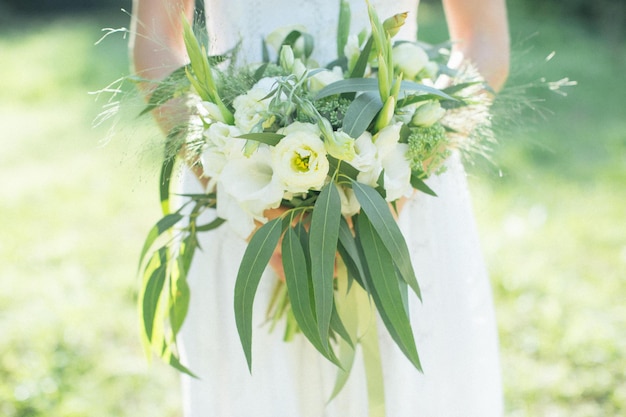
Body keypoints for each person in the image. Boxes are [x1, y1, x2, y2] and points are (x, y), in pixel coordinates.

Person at [130, 0, 510, 416]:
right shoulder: (239, 190)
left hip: (404, 195)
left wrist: (397, 180)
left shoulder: (401, 186)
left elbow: (485, 44)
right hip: (238, 187)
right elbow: (154, 46)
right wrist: (240, 193)